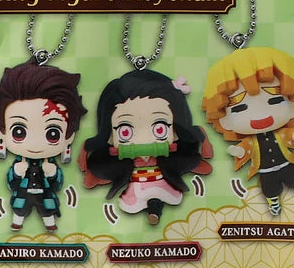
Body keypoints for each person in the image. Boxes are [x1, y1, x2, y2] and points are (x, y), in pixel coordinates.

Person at [80, 68, 212, 226]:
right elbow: (90, 180)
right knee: (136, 199)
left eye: (160, 128)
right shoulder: (119, 159)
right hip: (136, 187)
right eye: (125, 131)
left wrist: (195, 154)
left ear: (176, 129)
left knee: (162, 194)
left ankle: (155, 210)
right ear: (109, 134)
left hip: (162, 182)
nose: (143, 140)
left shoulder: (174, 155)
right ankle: (153, 210)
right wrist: (97, 172)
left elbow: (204, 167)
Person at [203, 47, 294, 216]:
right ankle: (273, 201)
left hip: (285, 162)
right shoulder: (250, 141)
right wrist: (239, 151)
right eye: (239, 108)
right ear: (223, 117)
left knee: (293, 175)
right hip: (265, 170)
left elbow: (288, 137)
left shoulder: (280, 133)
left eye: (275, 100)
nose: (261, 116)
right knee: (269, 187)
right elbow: (247, 148)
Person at [0, 61, 87, 232]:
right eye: (19, 132)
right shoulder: (19, 162)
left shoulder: (50, 163)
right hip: (23, 194)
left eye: (53, 134)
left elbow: (57, 184)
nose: (35, 144)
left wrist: (52, 173)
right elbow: (11, 183)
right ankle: (17, 222)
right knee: (19, 209)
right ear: (0, 131)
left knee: (47, 210)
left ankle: (50, 224)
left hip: (45, 194)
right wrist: (17, 172)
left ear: (69, 136)